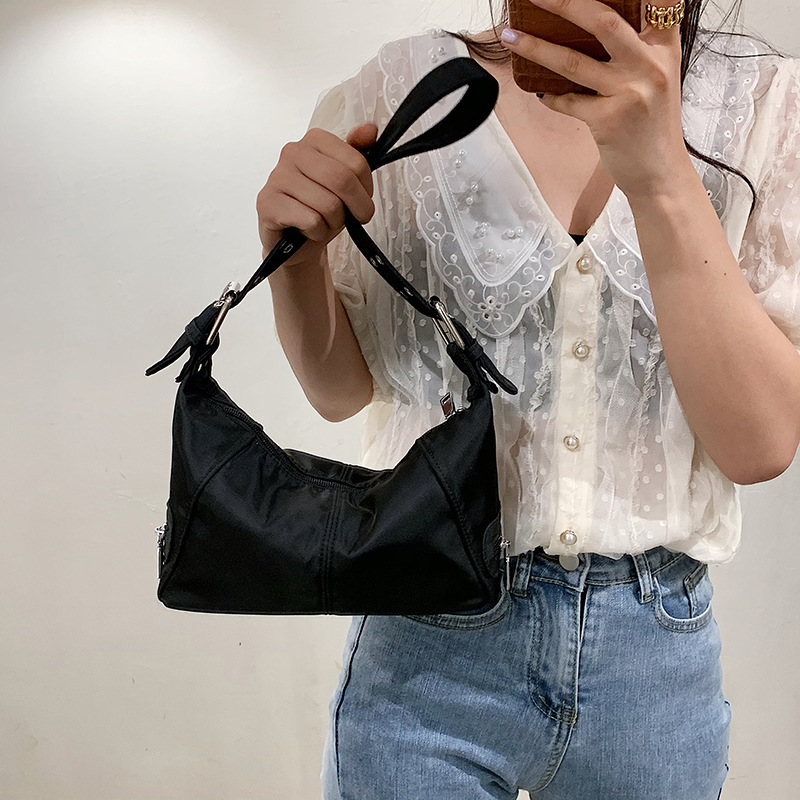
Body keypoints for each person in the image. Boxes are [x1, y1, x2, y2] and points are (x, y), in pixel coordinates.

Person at [256, 1, 800, 797]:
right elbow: (340, 391)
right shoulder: (405, 88)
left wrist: (662, 177)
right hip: (426, 643)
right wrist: (294, 260)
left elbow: (759, 445)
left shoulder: (763, 107)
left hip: (651, 665)